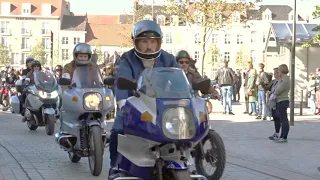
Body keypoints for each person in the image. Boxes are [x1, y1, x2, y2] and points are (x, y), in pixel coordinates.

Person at [109, 20, 180, 176]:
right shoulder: (127, 59)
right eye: (144, 41)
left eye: (153, 41)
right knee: (117, 132)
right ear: (136, 42)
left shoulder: (168, 59)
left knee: (185, 130)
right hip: (134, 106)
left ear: (159, 42)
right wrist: (122, 102)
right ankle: (115, 168)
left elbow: (180, 78)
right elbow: (121, 79)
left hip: (163, 107)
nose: (149, 46)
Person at [270, 64, 290, 143]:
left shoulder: (285, 79)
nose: (278, 72)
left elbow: (278, 89)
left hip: (283, 100)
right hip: (280, 100)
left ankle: (284, 137)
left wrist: (273, 94)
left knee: (284, 120)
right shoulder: (283, 79)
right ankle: (282, 136)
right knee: (282, 119)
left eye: (279, 70)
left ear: (282, 70)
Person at [267, 68, 281, 139]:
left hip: (278, 100)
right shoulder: (274, 81)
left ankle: (279, 133)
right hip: (273, 101)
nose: (274, 74)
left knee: (278, 117)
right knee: (275, 117)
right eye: (274, 73)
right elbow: (268, 88)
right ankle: (276, 132)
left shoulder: (281, 81)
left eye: (276, 73)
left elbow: (278, 91)